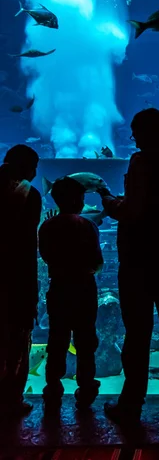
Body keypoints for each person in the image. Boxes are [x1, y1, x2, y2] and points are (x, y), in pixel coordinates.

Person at [99, 108, 159, 424]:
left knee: (138, 332)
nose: (134, 139)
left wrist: (110, 202)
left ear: (144, 132)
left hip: (140, 261)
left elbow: (134, 211)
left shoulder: (141, 163)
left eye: (135, 132)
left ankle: (132, 401)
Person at [39, 177, 103, 410]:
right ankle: (86, 388)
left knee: (57, 339)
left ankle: (53, 387)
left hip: (59, 288)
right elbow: (97, 261)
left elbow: (46, 256)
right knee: (86, 340)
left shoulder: (47, 226)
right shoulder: (87, 226)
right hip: (84, 288)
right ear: (77, 200)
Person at [0, 144, 41, 417]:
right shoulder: (28, 193)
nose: (35, 173)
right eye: (34, 167)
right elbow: (28, 244)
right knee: (16, 338)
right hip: (15, 277)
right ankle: (10, 400)